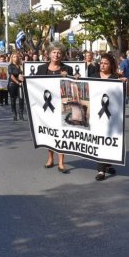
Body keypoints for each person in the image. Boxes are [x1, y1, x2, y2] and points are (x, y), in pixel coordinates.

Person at [36, 43, 74, 173]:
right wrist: (22, 79)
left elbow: (73, 87)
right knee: (50, 132)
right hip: (47, 107)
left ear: (62, 55)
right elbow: (34, 86)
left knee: (62, 133)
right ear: (49, 54)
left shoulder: (67, 69)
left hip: (63, 106)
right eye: (54, 52)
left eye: (58, 53)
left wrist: (69, 78)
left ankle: (61, 162)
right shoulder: (41, 69)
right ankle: (50, 158)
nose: (56, 55)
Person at [89, 53, 123, 181]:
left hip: (112, 116)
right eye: (101, 63)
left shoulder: (115, 78)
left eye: (106, 63)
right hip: (97, 115)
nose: (102, 65)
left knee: (108, 139)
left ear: (111, 65)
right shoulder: (93, 77)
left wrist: (126, 82)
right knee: (100, 139)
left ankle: (107, 164)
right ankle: (101, 170)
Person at [7, 53, 25, 121]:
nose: (16, 58)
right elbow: (11, 76)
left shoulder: (21, 66)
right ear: (12, 58)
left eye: (17, 57)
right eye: (14, 57)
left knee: (21, 99)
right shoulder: (10, 66)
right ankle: (14, 114)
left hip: (20, 84)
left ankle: (21, 114)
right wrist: (17, 82)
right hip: (12, 84)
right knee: (13, 99)